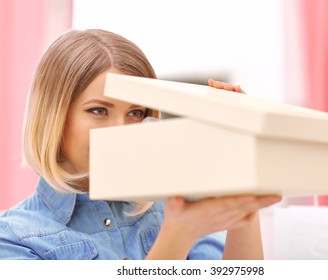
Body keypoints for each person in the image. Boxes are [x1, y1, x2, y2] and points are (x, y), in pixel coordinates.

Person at [0, 29, 281, 260]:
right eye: (98, 111)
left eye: (136, 113)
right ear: (55, 117)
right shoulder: (14, 238)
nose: (121, 131)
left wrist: (246, 196)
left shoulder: (175, 209)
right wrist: (178, 234)